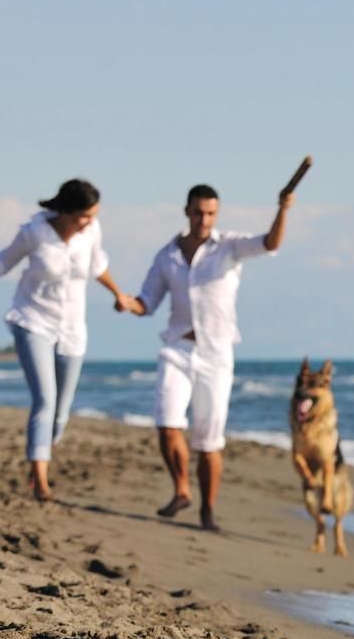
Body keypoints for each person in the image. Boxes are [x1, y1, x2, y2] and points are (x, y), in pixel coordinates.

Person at [122, 181, 294, 531]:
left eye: (211, 213)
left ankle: (208, 511)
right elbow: (147, 302)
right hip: (177, 348)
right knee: (167, 424)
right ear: (187, 211)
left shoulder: (229, 247)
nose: (204, 219)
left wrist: (283, 209)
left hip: (216, 352)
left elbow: (271, 243)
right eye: (199, 212)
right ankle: (182, 489)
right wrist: (128, 303)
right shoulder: (167, 255)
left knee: (209, 438)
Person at [0, 178, 131, 502]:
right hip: (33, 321)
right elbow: (1, 263)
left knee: (61, 412)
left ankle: (41, 453)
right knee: (44, 399)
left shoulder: (91, 233)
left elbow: (98, 266)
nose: (89, 222)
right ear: (66, 211)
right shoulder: (34, 232)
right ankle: (41, 479)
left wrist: (118, 294)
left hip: (72, 329)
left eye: (93, 216)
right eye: (84, 215)